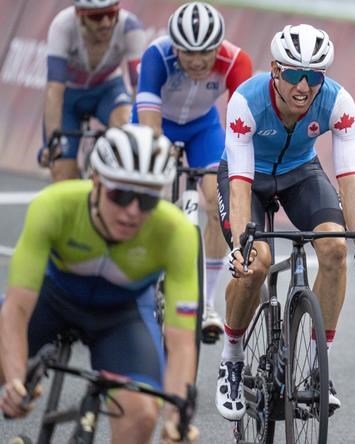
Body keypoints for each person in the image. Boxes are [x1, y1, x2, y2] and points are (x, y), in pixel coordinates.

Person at [214, 24, 355, 421]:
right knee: (254, 261)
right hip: (249, 177)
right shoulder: (247, 101)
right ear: (275, 70)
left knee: (335, 248)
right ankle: (232, 358)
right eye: (293, 73)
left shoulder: (338, 103)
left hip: (301, 173)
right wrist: (241, 243)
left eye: (314, 76)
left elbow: (349, 178)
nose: (303, 86)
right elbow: (240, 186)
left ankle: (318, 367)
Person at [0, 124, 200, 443]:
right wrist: (13, 382)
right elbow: (17, 307)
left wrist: (176, 417)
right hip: (51, 300)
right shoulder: (54, 205)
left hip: (121, 315)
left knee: (143, 414)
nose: (132, 211)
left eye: (147, 201)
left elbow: (180, 341)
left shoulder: (177, 233)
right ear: (95, 181)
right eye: (120, 194)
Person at [134, 1, 253, 344]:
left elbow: (239, 126)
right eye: (189, 53)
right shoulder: (157, 56)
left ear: (219, 46)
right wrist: (158, 157)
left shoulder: (236, 61)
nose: (199, 61)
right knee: (145, 193)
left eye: (206, 52)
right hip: (159, 125)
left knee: (220, 206)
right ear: (175, 47)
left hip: (203, 128)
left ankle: (206, 302)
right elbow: (149, 123)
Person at [40, 0, 146, 182]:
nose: (105, 23)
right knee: (61, 174)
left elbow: (140, 90)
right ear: (80, 16)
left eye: (111, 14)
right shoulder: (63, 26)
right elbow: (54, 90)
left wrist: (140, 136)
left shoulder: (130, 27)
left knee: (125, 130)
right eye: (96, 17)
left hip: (108, 90)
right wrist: (52, 141)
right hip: (69, 97)